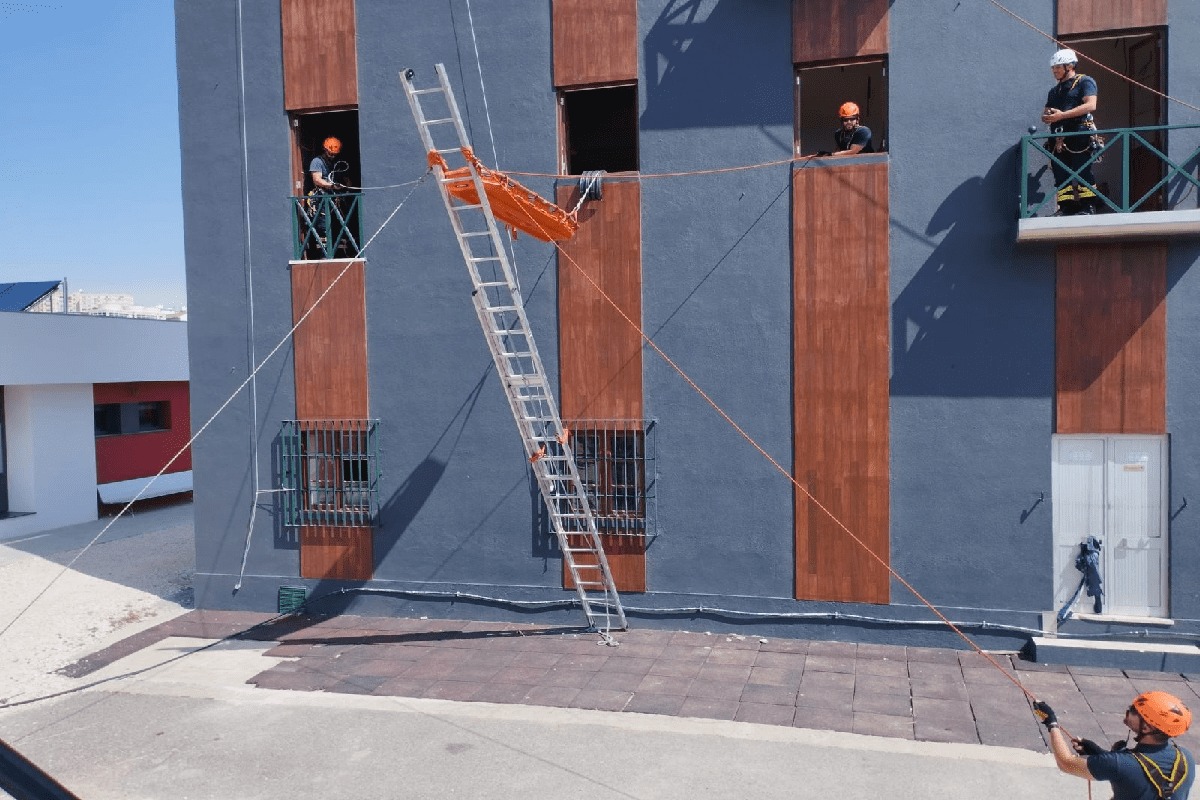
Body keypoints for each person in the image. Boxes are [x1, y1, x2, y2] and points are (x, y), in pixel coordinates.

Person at [1034, 691, 1195, 799]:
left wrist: (1051, 722)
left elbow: (1066, 763)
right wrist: (1100, 753)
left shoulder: (1118, 764)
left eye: (1133, 710)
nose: (1128, 711)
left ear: (1146, 727)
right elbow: (1132, 775)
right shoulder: (1186, 758)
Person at [1042, 49, 1100, 216]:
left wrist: (1062, 115)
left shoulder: (1084, 82)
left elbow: (1090, 105)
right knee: (1061, 173)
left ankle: (1088, 206)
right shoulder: (1055, 91)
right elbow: (1046, 113)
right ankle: (1066, 207)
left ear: (1069, 66)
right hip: (1058, 136)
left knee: (1082, 169)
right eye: (1053, 68)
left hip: (1079, 131)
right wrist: (1048, 116)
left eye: (1057, 67)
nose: (1054, 71)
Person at [307, 137, 348, 256]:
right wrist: (332, 186)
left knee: (338, 228)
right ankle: (324, 256)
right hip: (321, 200)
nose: (332, 156)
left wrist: (346, 189)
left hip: (336, 200)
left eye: (334, 154)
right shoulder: (317, 161)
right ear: (324, 150)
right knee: (323, 229)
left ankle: (340, 254)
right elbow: (317, 180)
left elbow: (346, 180)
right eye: (330, 153)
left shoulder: (338, 163)